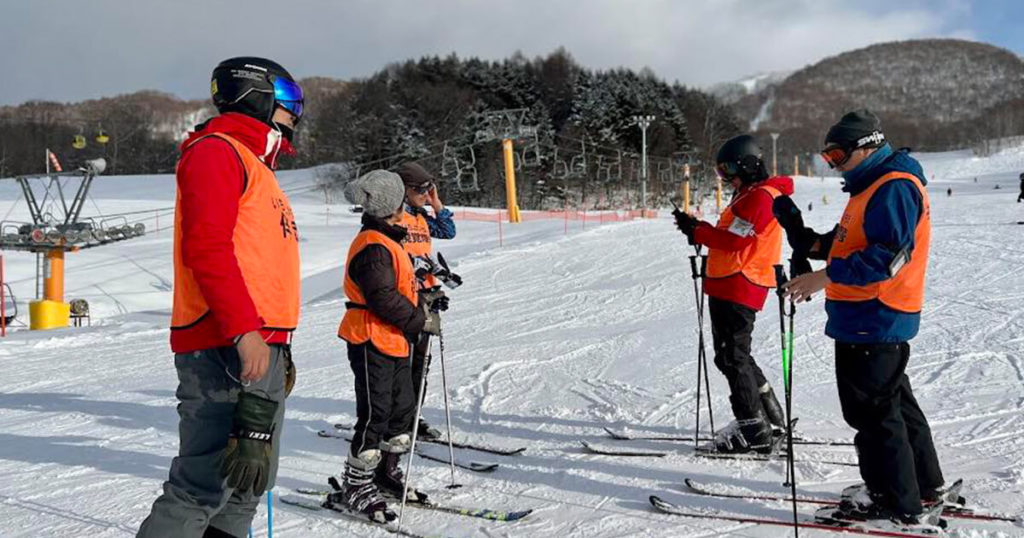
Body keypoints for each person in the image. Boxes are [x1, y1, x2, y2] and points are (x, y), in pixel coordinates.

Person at [138, 57, 304, 538]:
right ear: (255, 96)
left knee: (246, 481)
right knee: (203, 486)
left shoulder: (256, 163)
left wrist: (277, 344)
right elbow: (207, 248)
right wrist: (245, 331)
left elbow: (260, 262)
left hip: (259, 343)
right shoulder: (217, 152)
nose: (295, 115)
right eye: (289, 101)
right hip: (224, 341)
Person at [781, 109, 947, 528]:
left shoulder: (892, 187)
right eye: (826, 156)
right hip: (874, 314)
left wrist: (824, 277)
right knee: (894, 404)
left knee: (872, 414)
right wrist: (804, 236)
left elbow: (887, 257)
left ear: (868, 145)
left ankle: (895, 502)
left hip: (874, 313)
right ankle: (922, 486)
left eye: (837, 154)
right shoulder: (871, 187)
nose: (833, 163)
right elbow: (849, 245)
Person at [332, 170, 445, 522]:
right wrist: (418, 319)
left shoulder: (388, 239)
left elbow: (400, 286)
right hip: (370, 337)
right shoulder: (372, 245)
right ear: (391, 206)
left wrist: (425, 297)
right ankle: (356, 483)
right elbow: (381, 296)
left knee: (402, 411)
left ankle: (384, 473)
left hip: (393, 337)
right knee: (375, 414)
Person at [673, 134, 792, 454]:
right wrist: (696, 227)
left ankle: (754, 431)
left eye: (729, 169)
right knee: (736, 355)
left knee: (732, 357)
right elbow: (730, 235)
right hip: (732, 281)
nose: (725, 177)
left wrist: (696, 230)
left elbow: (735, 241)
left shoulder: (759, 198)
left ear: (749, 166)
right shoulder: (750, 193)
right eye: (720, 171)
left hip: (739, 282)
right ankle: (769, 415)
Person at [395, 161, 457, 441]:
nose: (425, 193)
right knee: (403, 361)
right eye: (420, 189)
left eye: (428, 188)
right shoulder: (395, 216)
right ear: (404, 189)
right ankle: (398, 418)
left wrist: (436, 203)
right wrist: (417, 263)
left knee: (422, 362)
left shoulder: (421, 217)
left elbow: (448, 231)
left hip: (428, 295)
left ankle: (413, 416)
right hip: (404, 294)